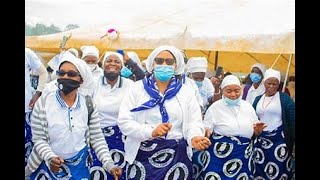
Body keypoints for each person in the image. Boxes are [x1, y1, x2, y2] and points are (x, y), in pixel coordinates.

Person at [117, 45, 211, 179]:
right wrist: (151, 131)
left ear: (176, 65)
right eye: (159, 61)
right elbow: (124, 121)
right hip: (142, 155)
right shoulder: (137, 89)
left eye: (169, 62)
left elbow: (194, 122)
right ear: (152, 63)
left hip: (177, 157)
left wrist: (194, 136)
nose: (164, 65)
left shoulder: (186, 91)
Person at [26, 53, 122, 179]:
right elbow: (39, 139)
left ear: (81, 79)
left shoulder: (88, 104)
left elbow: (97, 138)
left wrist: (109, 164)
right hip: (48, 167)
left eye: (71, 74)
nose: (65, 77)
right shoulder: (44, 103)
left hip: (79, 167)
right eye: (61, 73)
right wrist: (50, 158)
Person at [193, 75, 266, 179]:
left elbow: (255, 130)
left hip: (243, 156)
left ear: (241, 89)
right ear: (222, 91)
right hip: (219, 157)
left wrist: (257, 131)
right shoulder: (215, 108)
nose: (233, 95)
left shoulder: (248, 107)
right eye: (228, 91)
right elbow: (206, 129)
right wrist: (205, 132)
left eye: (236, 90)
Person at [89, 51, 134, 179]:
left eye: (117, 61)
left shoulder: (130, 86)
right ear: (103, 64)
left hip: (122, 138)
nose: (112, 64)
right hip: (96, 135)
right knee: (97, 172)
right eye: (109, 61)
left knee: (120, 173)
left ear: (121, 66)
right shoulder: (93, 83)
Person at [252, 68, 295, 180]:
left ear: (279, 84)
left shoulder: (284, 99)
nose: (271, 86)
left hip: (279, 141)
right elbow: (252, 117)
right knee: (260, 168)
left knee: (279, 169)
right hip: (261, 141)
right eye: (269, 83)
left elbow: (292, 120)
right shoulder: (258, 99)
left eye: (274, 84)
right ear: (264, 82)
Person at [25, 48, 48, 166]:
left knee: (27, 152)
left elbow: (43, 72)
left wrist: (38, 93)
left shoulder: (27, 53)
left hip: (25, 112)